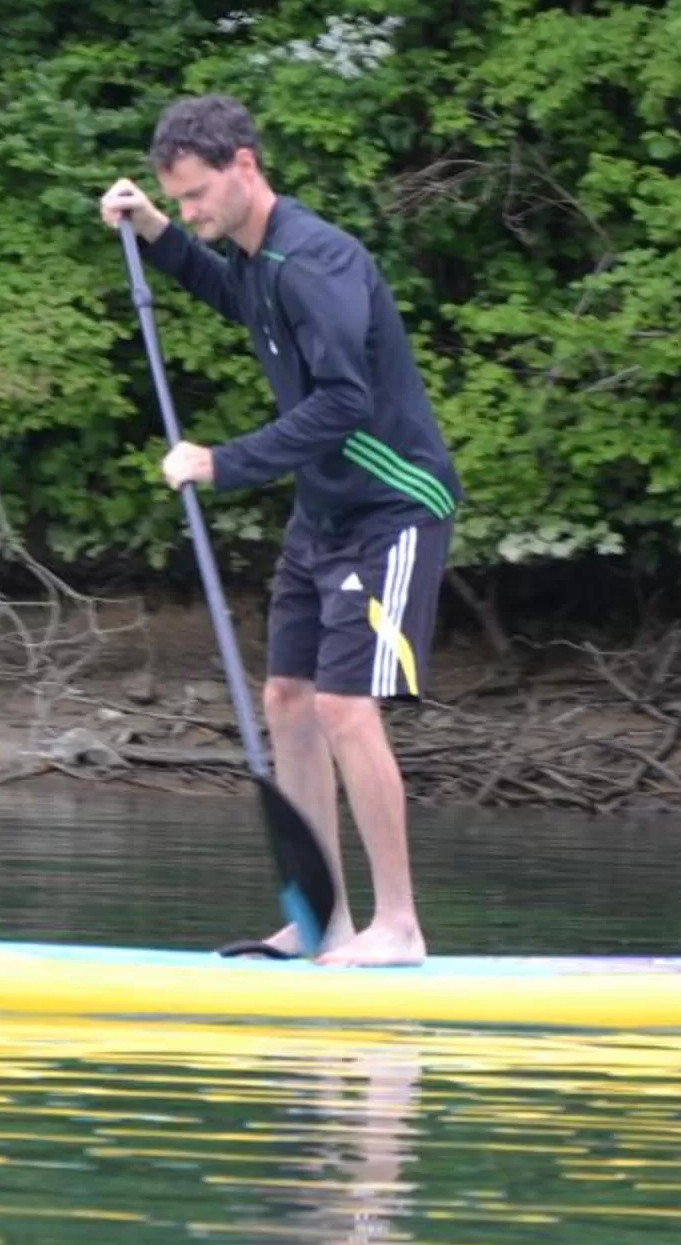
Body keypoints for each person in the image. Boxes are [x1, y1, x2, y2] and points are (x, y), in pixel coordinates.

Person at [100, 95, 459, 967]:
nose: (191, 212)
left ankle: (399, 927)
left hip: (394, 506)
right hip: (324, 511)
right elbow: (232, 293)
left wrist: (223, 462)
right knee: (287, 702)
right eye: (177, 200)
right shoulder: (258, 261)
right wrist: (154, 231)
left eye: (194, 198)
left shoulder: (316, 262)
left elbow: (344, 404)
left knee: (344, 703)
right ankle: (319, 920)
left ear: (246, 167)